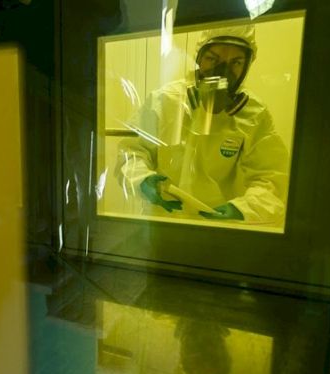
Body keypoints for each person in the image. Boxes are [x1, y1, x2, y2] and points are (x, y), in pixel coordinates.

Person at [118, 26, 289, 225]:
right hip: (161, 221)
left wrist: (242, 209)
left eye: (236, 62)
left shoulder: (254, 114)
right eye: (213, 59)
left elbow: (271, 178)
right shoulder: (164, 100)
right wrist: (142, 180)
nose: (222, 72)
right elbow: (131, 152)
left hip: (219, 227)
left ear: (247, 65)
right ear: (199, 58)